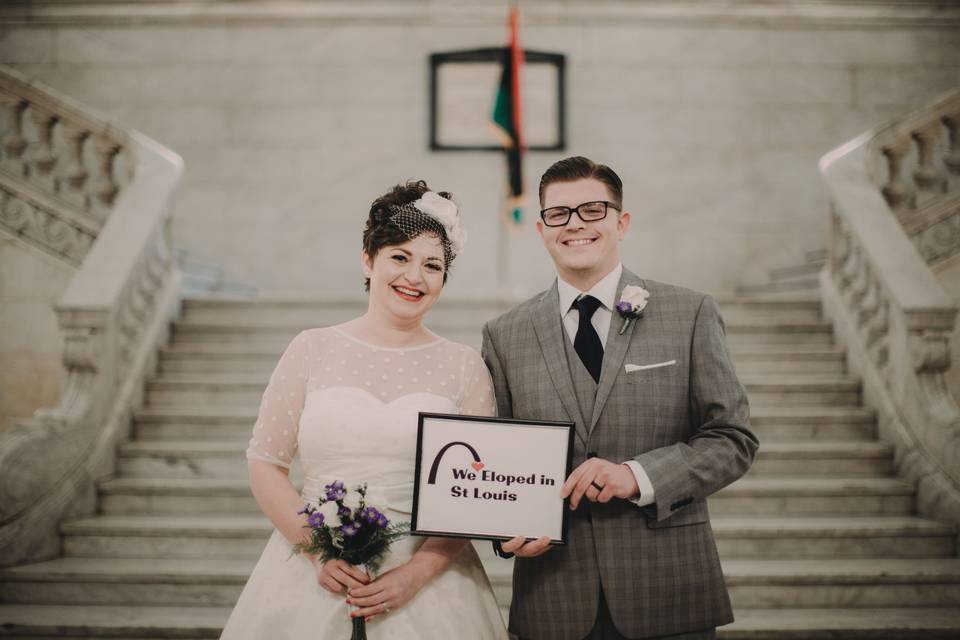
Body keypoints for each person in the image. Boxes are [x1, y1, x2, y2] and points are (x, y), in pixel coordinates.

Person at [482, 156, 759, 640]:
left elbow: (732, 440)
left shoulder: (688, 313)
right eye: (559, 214)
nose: (575, 225)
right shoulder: (505, 334)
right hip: (553, 599)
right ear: (542, 228)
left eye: (592, 210)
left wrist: (637, 476)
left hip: (668, 590)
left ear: (621, 222)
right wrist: (506, 535)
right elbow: (498, 461)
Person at [221, 181, 508, 639]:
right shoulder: (312, 348)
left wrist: (417, 573)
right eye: (400, 257)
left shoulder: (464, 365)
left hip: (429, 580)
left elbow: (472, 496)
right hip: (315, 570)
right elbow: (266, 464)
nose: (415, 277)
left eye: (432, 265)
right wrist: (319, 553)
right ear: (368, 260)